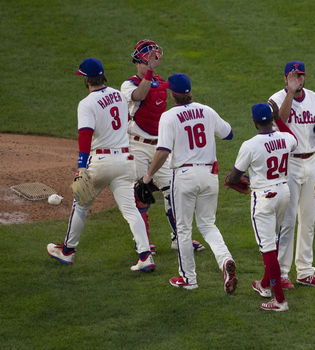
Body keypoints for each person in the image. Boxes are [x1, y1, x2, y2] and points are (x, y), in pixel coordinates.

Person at [47, 57, 155, 273]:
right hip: (125, 161)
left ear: (86, 79)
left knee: (81, 205)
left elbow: (85, 135)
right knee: (131, 210)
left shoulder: (86, 103)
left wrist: (81, 166)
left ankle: (68, 251)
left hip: (101, 162)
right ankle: (145, 256)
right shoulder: (118, 95)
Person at [141, 73, 236, 293]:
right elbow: (229, 134)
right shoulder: (207, 110)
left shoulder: (169, 116)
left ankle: (189, 279)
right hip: (209, 176)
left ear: (172, 94)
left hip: (183, 177)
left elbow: (163, 150)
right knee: (208, 225)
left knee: (183, 229)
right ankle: (225, 260)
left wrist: (147, 177)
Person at [120, 39, 205, 254]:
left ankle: (180, 238)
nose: (150, 63)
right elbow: (139, 95)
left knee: (174, 191)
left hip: (159, 147)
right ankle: (143, 243)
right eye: (146, 61)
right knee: (138, 193)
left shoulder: (158, 81)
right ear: (138, 62)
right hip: (136, 146)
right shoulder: (128, 84)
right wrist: (148, 73)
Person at [227, 103, 298, 311]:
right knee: (273, 242)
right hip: (284, 192)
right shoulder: (285, 138)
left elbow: (234, 176)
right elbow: (292, 138)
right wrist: (280, 119)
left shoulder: (250, 145)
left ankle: (279, 300)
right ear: (272, 119)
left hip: (264, 197)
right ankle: (264, 284)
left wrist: (238, 182)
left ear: (254, 121)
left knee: (268, 248)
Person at [268, 61, 315, 289]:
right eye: (294, 77)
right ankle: (282, 273)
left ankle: (305, 271)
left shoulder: (313, 96)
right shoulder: (275, 99)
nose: (299, 80)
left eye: (301, 76)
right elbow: (279, 122)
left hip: (311, 162)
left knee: (309, 219)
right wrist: (291, 94)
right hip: (289, 164)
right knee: (287, 220)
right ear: (285, 78)